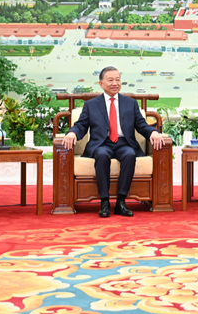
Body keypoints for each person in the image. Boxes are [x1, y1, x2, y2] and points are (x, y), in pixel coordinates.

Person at [62, 66, 164, 218]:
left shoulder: (131, 103)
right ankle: (104, 202)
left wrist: (153, 132)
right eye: (110, 80)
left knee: (130, 155)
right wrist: (72, 133)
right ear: (101, 83)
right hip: (101, 144)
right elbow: (81, 125)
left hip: (124, 143)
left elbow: (141, 125)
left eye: (118, 80)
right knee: (102, 155)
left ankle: (121, 202)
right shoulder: (91, 105)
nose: (115, 83)